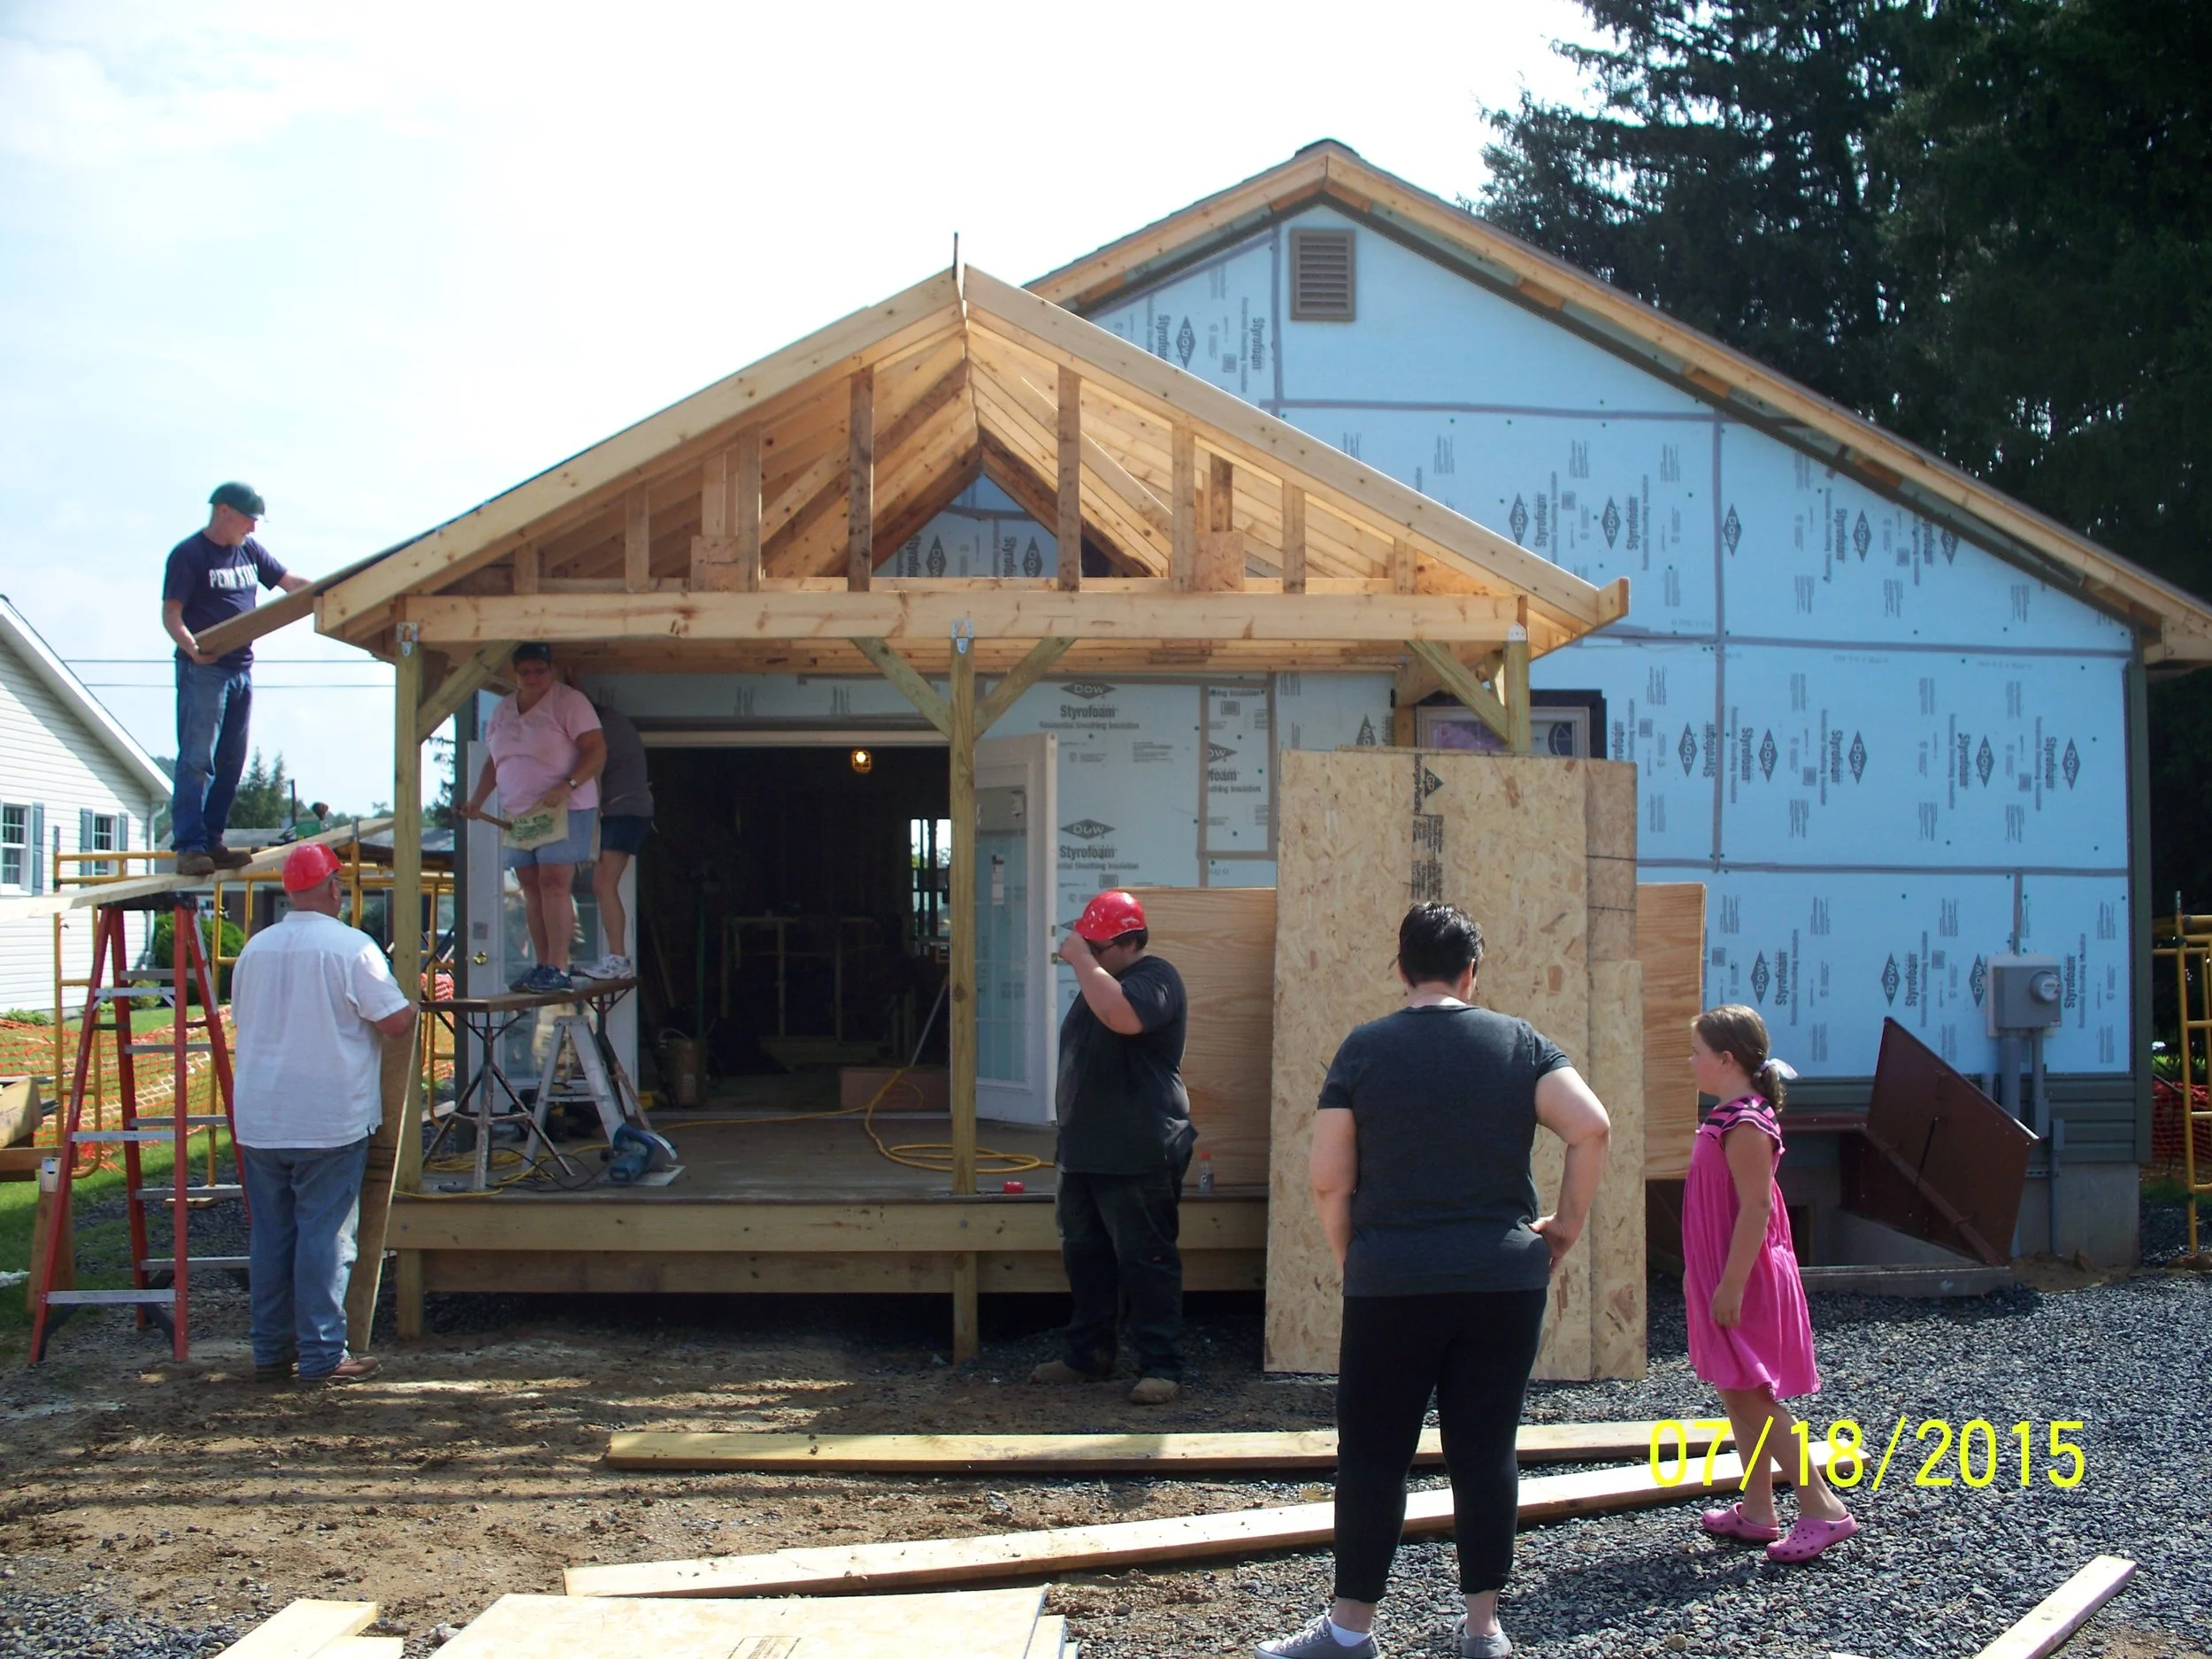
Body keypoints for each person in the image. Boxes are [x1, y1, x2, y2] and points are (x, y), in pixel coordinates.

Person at [1261, 902, 1613, 1659]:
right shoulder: (1520, 1043)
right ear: (1471, 971)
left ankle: (1351, 1629)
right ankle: (1484, 1628)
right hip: (1503, 1277)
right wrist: (1565, 1229)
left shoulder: (1364, 1049)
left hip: (1392, 1277)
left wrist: (1350, 1254)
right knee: (1485, 1449)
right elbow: (1592, 1126)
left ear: (1400, 968)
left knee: (1375, 1452)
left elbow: (1329, 1178)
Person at [228, 842, 416, 1385]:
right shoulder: (351, 947)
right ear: (334, 887)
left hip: (263, 1118)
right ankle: (322, 1354)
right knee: (325, 1236)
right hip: (328, 1117)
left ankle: (269, 1351)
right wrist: (418, 994)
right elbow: (395, 1023)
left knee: (271, 1235)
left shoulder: (256, 949)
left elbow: (246, 1015)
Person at [1684, 1004, 1858, 1563]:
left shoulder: (1747, 1124)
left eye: (1697, 1053)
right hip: (1722, 1269)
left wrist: (1731, 1285)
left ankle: (1822, 1508)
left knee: (1754, 1396)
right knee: (1737, 1393)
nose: (1691, 1062)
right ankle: (1759, 1509)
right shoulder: (1728, 1116)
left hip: (1747, 1275)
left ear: (1726, 1059)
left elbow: (1756, 1209)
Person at [1029, 888, 1193, 1406]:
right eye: (1087, 946)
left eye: (1098, 947)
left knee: (1146, 1260)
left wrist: (1080, 959)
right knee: (1086, 1258)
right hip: (1084, 1151)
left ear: (1127, 942)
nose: (1088, 953)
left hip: (1138, 1150)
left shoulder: (1155, 978)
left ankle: (1160, 1365)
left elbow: (1124, 1018)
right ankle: (1089, 1354)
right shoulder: (1098, 981)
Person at [161, 482, 311, 879]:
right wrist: (192, 647)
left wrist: (331, 591)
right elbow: (171, 614)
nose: (253, 529)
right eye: (249, 519)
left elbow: (290, 582)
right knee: (198, 760)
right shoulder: (189, 555)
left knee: (231, 761)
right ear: (223, 511)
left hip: (241, 669)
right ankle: (190, 846)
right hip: (203, 670)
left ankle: (212, 841)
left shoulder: (249, 552)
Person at [458, 642, 605, 993]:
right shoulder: (503, 711)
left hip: (564, 806)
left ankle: (559, 966)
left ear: (551, 669)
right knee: (530, 886)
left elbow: (597, 750)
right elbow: (494, 762)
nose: (533, 677)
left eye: (540, 670)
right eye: (525, 671)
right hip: (519, 812)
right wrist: (477, 801)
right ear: (515, 674)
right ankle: (541, 964)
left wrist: (568, 785)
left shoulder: (568, 701)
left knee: (555, 881)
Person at [580, 695, 652, 982]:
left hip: (622, 810)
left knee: (602, 884)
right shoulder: (609, 719)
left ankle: (617, 959)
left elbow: (592, 777)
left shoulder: (596, 731)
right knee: (603, 884)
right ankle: (616, 958)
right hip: (629, 809)